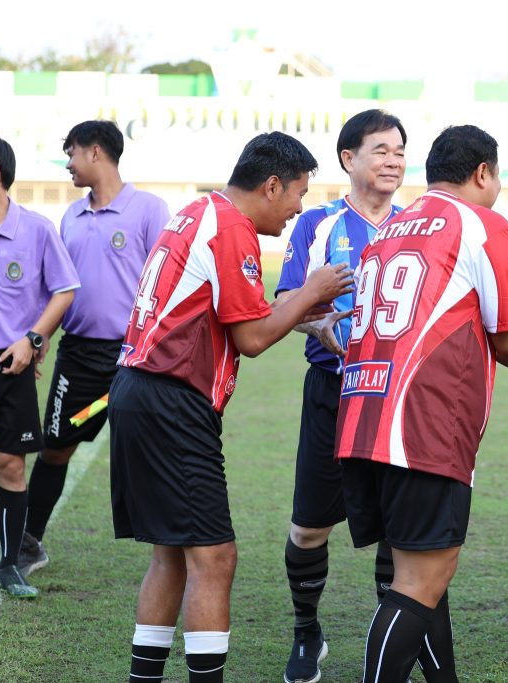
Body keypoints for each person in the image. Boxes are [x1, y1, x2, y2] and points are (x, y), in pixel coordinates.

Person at [108, 131, 354, 683]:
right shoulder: (232, 227)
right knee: (215, 557)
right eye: (298, 193)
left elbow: (233, 312)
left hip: (139, 391)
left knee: (171, 553)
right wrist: (312, 291)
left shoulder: (198, 213)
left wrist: (303, 315)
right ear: (272, 185)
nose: (298, 208)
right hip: (172, 402)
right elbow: (251, 337)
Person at [334, 124, 508, 683]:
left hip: (362, 415)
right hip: (424, 423)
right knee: (421, 579)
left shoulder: (388, 228)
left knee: (420, 572)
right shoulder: (481, 223)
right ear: (483, 173)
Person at [275, 109, 408, 683]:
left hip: (397, 396)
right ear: (348, 158)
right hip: (334, 390)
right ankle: (307, 631)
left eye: (400, 151)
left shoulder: (417, 225)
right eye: (381, 150)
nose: (393, 161)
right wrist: (316, 323)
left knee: (398, 527)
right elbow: (285, 302)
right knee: (310, 526)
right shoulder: (319, 224)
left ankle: (389, 634)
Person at [18, 120, 169, 577]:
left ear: (96, 152)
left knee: (150, 453)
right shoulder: (71, 217)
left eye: (72, 153)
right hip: (78, 358)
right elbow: (60, 287)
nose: (68, 163)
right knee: (55, 448)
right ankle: (29, 543)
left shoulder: (149, 210)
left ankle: (176, 545)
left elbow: (167, 283)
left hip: (134, 359)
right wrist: (42, 335)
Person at [0, 131, 79, 598]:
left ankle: (9, 565)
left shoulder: (37, 229)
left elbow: (65, 289)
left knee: (11, 464)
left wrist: (32, 339)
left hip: (12, 366)